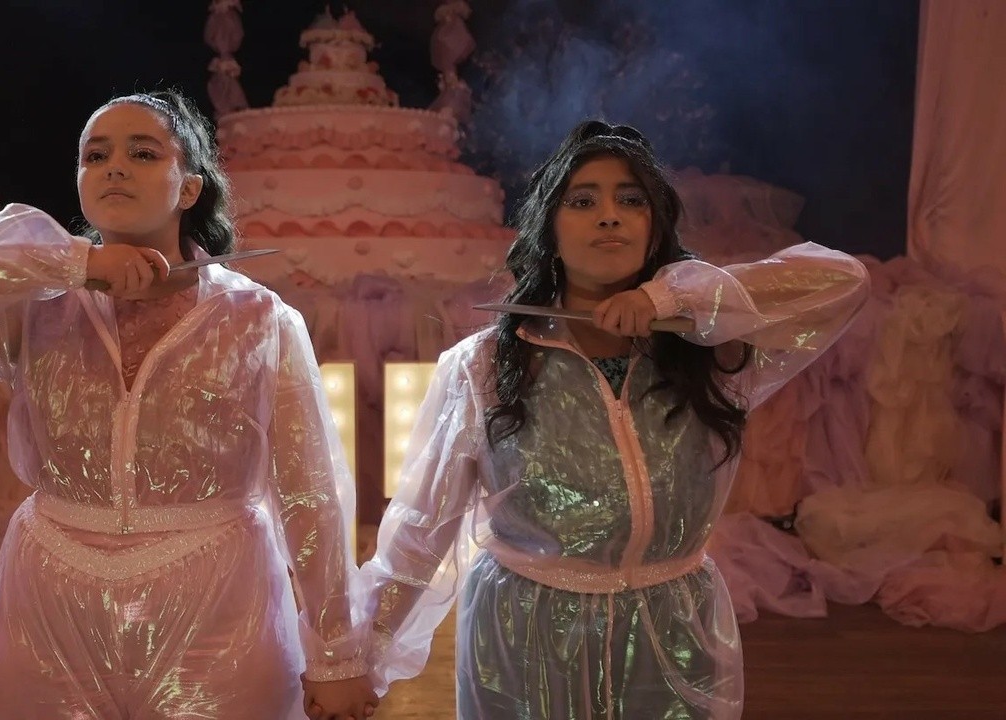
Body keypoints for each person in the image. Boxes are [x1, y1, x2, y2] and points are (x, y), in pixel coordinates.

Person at [0, 89, 378, 720]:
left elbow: (310, 493)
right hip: (49, 605)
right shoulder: (39, 303)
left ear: (188, 189)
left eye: (142, 153)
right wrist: (76, 263)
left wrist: (335, 654)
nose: (114, 168)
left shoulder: (257, 318)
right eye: (95, 155)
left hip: (220, 607)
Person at [354, 120, 869, 719]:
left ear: (656, 228)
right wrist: (361, 659)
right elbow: (421, 530)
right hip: (526, 640)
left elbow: (844, 281)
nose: (609, 217)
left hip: (675, 636)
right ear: (549, 230)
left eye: (631, 201)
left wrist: (670, 300)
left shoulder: (711, 354)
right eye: (582, 201)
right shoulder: (487, 365)